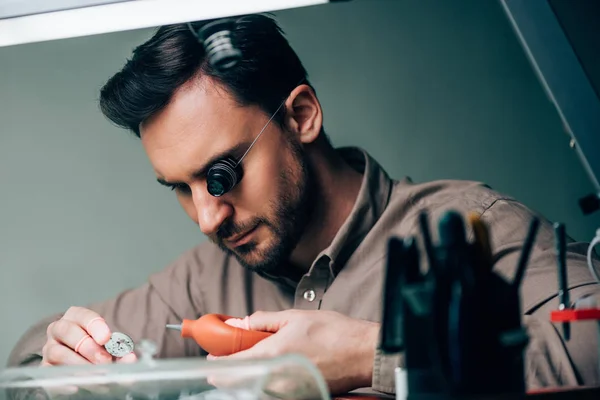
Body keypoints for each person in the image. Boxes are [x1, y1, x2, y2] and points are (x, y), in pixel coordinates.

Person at [7, 14, 600, 395]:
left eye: (220, 175)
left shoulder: (474, 230)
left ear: (300, 116)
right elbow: (28, 360)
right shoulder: (203, 279)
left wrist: (375, 355)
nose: (208, 217)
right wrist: (62, 361)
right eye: (179, 190)